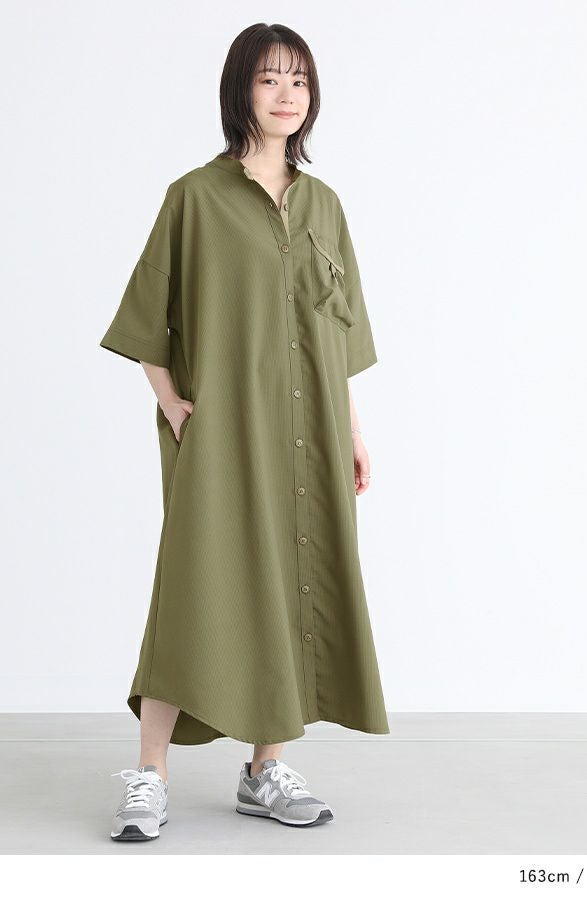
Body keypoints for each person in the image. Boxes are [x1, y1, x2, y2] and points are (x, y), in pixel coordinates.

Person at [101, 23, 389, 842]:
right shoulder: (195, 196)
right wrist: (171, 403)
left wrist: (353, 430)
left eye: (299, 79)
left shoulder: (325, 205)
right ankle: (149, 775)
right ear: (240, 91)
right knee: (194, 589)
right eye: (269, 79)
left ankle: (266, 770)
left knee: (297, 579)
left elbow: (338, 333)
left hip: (314, 432)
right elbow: (147, 314)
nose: (287, 95)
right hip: (225, 432)